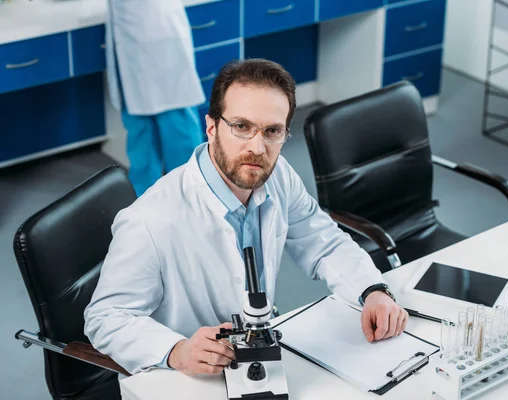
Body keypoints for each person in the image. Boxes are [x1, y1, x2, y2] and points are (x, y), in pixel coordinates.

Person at [84, 59, 408, 376]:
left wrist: (372, 290)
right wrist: (177, 351)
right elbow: (106, 318)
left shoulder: (279, 175)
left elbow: (323, 242)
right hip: (189, 377)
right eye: (241, 127)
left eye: (272, 131)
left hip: (257, 356)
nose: (257, 147)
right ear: (211, 127)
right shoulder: (150, 220)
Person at [106, 0, 206, 196]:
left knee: (178, 132)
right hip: (130, 38)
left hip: (159, 37)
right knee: (140, 133)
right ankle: (145, 205)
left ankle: (195, 201)